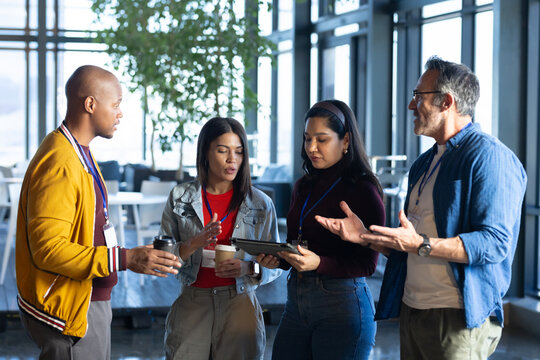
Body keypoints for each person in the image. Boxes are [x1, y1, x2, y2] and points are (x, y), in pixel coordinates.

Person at [316, 56, 528, 359]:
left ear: (447, 102)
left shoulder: (489, 157)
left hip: (456, 317)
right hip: (414, 309)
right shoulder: (423, 164)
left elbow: (495, 243)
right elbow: (410, 244)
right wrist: (365, 237)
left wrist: (421, 244)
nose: (410, 106)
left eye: (419, 96)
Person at [15, 65, 182, 360]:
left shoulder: (78, 152)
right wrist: (126, 258)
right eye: (116, 104)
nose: (120, 114)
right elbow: (48, 250)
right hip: (71, 311)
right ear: (90, 104)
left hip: (87, 299)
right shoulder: (61, 161)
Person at [257, 100, 385, 360]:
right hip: (296, 301)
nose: (311, 148)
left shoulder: (363, 189)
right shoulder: (303, 186)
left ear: (346, 140)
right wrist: (280, 260)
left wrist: (319, 263)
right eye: (307, 139)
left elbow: (368, 265)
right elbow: (298, 245)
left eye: (322, 139)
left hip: (342, 305)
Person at [160, 117, 283, 360]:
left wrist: (249, 267)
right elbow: (163, 257)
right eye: (222, 150)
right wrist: (196, 241)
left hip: (239, 304)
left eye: (238, 152)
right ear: (205, 152)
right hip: (192, 303)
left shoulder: (260, 203)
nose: (232, 159)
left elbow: (277, 262)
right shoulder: (180, 197)